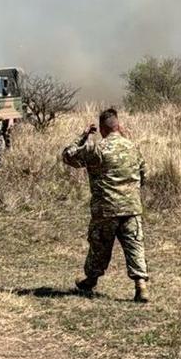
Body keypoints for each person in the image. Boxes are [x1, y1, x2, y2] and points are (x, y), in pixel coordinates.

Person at [61, 107, 150, 303]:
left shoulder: (97, 149)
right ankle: (141, 285)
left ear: (102, 128)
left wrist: (83, 135)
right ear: (118, 126)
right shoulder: (133, 147)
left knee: (99, 246)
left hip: (106, 209)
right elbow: (144, 175)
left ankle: (91, 280)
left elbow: (68, 155)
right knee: (134, 245)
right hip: (131, 208)